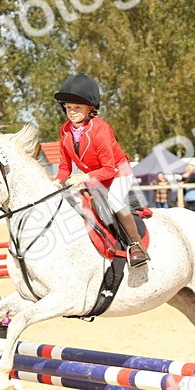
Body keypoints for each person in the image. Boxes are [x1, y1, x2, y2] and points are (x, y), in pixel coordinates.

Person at [53, 73, 150, 267]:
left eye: (77, 107)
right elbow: (65, 166)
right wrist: (57, 181)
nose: (71, 112)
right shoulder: (65, 131)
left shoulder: (101, 128)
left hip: (118, 173)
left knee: (114, 200)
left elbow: (109, 168)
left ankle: (136, 246)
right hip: (93, 178)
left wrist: (83, 177)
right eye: (68, 107)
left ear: (91, 108)